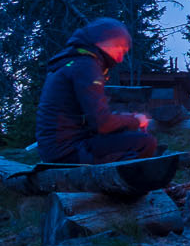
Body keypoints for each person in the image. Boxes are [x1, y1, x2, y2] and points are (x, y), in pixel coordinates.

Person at [35, 18, 158, 164]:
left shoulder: (73, 62)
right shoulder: (86, 66)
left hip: (58, 148)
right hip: (68, 151)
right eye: (119, 47)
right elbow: (102, 124)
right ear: (103, 41)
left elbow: (89, 116)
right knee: (145, 143)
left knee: (127, 137)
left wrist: (124, 119)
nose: (120, 58)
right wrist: (135, 121)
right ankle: (119, 184)